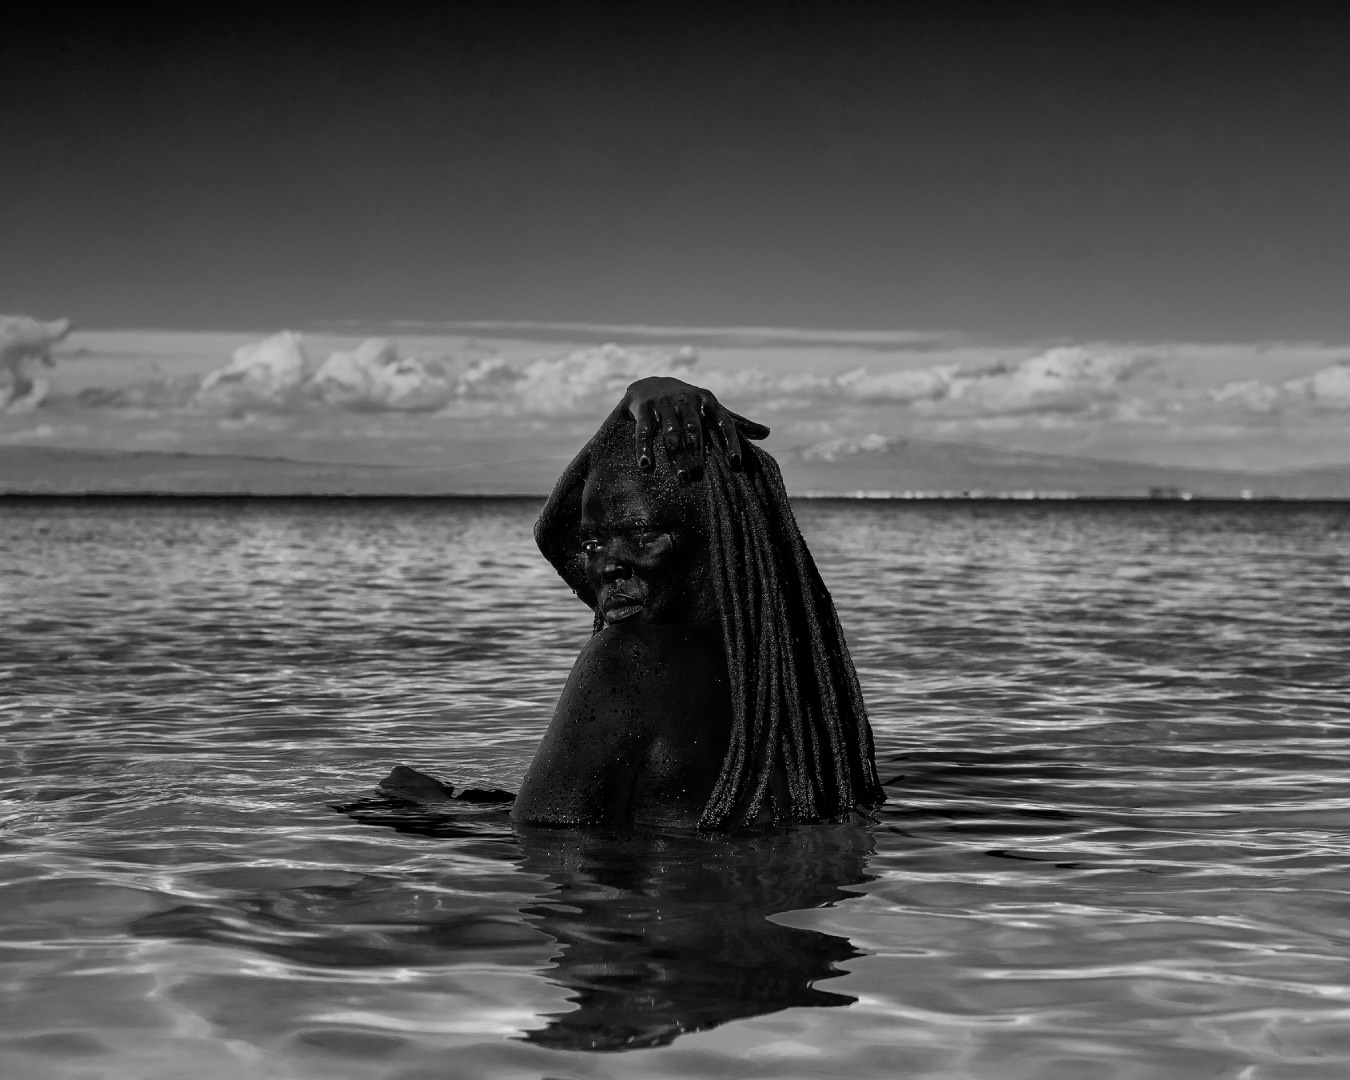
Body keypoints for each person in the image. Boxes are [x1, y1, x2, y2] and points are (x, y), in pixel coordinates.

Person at [507, 377, 884, 830]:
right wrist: (627, 414)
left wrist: (423, 809)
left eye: (645, 536)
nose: (608, 566)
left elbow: (542, 843)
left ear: (718, 540)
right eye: (593, 544)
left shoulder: (628, 662)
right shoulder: (797, 676)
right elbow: (558, 536)